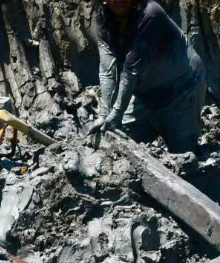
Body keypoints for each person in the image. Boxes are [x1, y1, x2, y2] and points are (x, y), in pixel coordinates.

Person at [87, 0, 206, 153]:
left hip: (182, 90)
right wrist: (104, 114)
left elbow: (131, 71)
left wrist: (116, 114)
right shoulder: (103, 19)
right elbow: (107, 70)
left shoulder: (150, 14)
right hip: (146, 98)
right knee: (114, 137)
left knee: (184, 155)